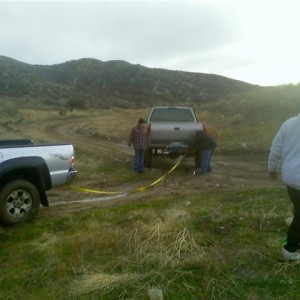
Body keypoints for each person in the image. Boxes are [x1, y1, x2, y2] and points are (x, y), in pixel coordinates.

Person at [268, 113, 300, 261]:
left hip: (290, 178)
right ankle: (289, 249)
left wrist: (272, 168)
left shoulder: (289, 123)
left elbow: (276, 148)